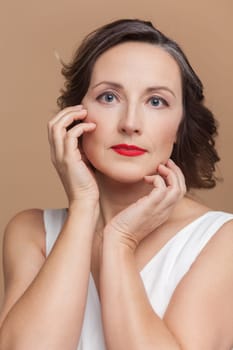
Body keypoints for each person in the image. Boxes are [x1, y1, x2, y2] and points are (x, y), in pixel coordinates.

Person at [0, 18, 232, 350]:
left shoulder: (221, 241)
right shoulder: (32, 232)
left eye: (156, 101)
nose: (130, 124)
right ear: (76, 115)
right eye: (109, 97)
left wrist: (119, 243)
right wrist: (83, 206)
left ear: (181, 125)